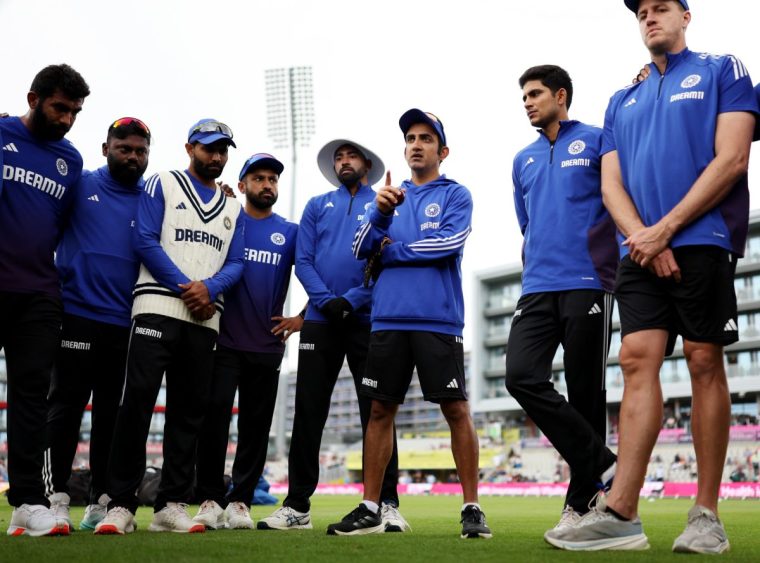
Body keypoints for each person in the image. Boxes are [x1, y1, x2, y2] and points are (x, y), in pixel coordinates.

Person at [545, 0, 758, 553]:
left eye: (661, 7)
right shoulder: (622, 98)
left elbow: (733, 158)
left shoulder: (722, 69)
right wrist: (644, 236)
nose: (649, 17)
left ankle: (706, 516)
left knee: (703, 360)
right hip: (638, 249)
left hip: (703, 239)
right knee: (637, 359)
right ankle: (622, 511)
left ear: (686, 16)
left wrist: (666, 229)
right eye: (641, 12)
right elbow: (610, 184)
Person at [327, 109, 491, 539]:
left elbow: (447, 243)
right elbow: (359, 249)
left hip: (437, 317)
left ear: (443, 151)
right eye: (411, 138)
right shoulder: (385, 198)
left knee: (455, 409)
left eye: (426, 138)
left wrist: (391, 251)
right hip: (387, 319)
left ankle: (472, 507)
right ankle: (370, 507)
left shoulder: (456, 194)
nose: (416, 145)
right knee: (380, 410)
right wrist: (380, 216)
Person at [94, 119, 244, 535]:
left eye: (222, 150)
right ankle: (120, 504)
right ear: (190, 148)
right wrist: (187, 287)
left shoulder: (233, 207)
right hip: (157, 307)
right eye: (208, 148)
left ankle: (171, 504)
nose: (216, 156)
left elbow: (236, 262)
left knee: (188, 414)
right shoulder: (163, 183)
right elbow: (144, 240)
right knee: (136, 404)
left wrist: (209, 289)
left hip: (205, 317)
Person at [258, 139, 406, 532]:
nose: (343, 161)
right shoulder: (315, 205)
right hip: (322, 322)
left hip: (368, 320)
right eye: (339, 157)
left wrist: (352, 300)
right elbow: (303, 261)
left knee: (377, 412)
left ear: (367, 163)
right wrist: (328, 302)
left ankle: (387, 503)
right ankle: (297, 506)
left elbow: (386, 262)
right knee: (308, 413)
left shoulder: (385, 203)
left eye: (351, 155)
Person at [506, 65, 619, 534]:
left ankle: (581, 503)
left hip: (588, 280)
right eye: (523, 96)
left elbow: (618, 197)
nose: (527, 103)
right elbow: (526, 224)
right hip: (536, 286)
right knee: (520, 376)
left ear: (560, 95)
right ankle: (605, 464)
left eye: (535, 94)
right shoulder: (523, 160)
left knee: (586, 394)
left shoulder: (597, 140)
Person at [42, 117, 151, 532]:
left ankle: (100, 500)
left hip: (125, 323)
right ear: (106, 149)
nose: (133, 156)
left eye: (140, 151)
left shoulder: (152, 199)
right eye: (124, 148)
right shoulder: (80, 184)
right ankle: (55, 498)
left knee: (111, 417)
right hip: (76, 315)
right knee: (65, 409)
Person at [0, 64, 90, 537]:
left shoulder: (70, 161)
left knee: (32, 398)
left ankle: (28, 501)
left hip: (38, 293)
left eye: (75, 112)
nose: (67, 119)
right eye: (59, 108)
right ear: (33, 99)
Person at [192, 153, 302, 530]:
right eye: (258, 178)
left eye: (272, 179)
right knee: (214, 422)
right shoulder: (228, 221)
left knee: (255, 429)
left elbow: (318, 270)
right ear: (242, 186)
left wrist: (302, 317)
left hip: (267, 345)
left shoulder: (289, 232)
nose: (267, 184)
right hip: (222, 342)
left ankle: (240, 501)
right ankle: (209, 499)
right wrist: (219, 202)